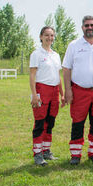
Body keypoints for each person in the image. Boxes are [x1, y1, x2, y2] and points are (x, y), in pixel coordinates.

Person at [63, 15, 93, 165]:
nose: (89, 27)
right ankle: (75, 154)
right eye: (86, 25)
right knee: (78, 122)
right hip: (79, 91)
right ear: (82, 27)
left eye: (92, 25)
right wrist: (68, 90)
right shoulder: (74, 45)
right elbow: (66, 69)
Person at [29, 26, 65, 166]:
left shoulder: (55, 55)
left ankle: (46, 150)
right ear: (41, 37)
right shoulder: (36, 54)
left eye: (52, 35)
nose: (49, 38)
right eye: (46, 35)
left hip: (54, 91)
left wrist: (62, 94)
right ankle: (37, 153)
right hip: (41, 90)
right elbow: (32, 76)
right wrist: (34, 95)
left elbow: (59, 76)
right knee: (40, 122)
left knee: (50, 122)